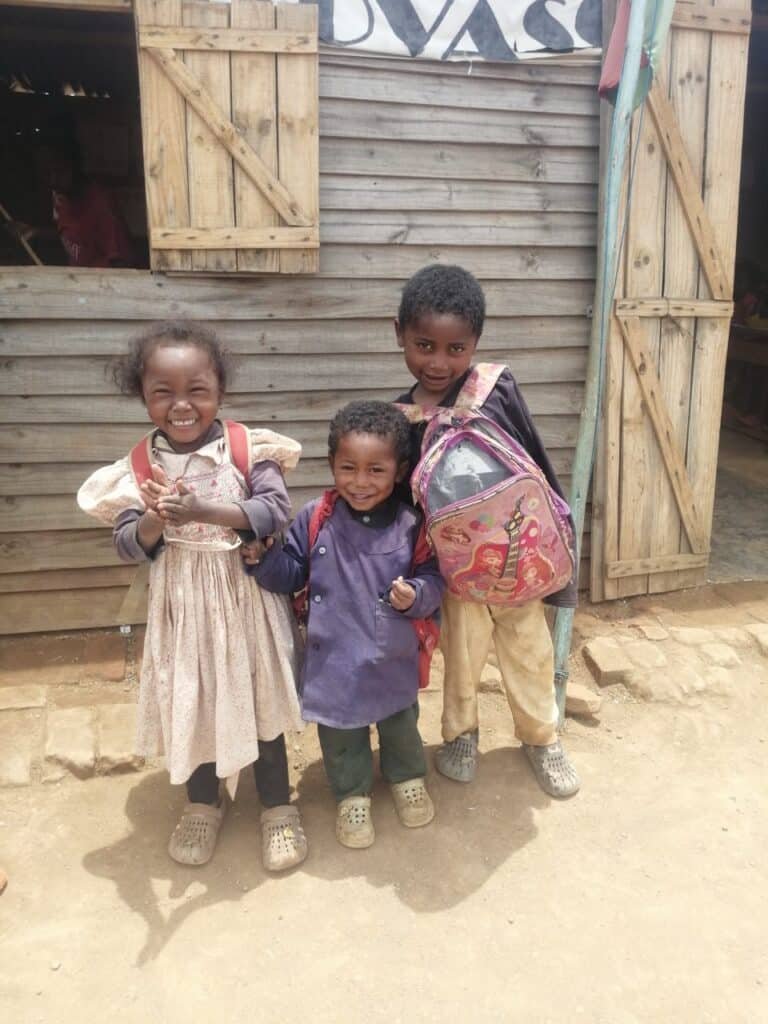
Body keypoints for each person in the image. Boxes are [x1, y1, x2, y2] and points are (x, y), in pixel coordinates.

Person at [77, 321, 307, 872]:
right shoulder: (137, 470)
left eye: (196, 390)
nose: (182, 405)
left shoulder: (250, 450)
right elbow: (129, 544)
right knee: (194, 699)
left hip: (245, 601)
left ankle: (277, 806)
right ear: (144, 396)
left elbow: (275, 512)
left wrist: (203, 511)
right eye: (164, 392)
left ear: (219, 390)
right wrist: (156, 518)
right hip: (183, 609)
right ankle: (204, 803)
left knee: (260, 700)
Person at [393, 264, 580, 799]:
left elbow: (534, 463)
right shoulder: (403, 418)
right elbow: (406, 501)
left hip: (521, 557)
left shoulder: (496, 390)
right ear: (399, 334)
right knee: (462, 654)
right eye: (424, 345)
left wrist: (559, 545)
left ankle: (541, 738)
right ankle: (461, 734)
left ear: (475, 343)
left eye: (456, 348)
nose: (438, 362)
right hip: (455, 572)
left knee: (530, 652)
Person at [243, 401, 445, 849]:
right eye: (348, 467)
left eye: (376, 470)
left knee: (401, 727)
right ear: (332, 464)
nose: (360, 481)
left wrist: (416, 595)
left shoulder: (412, 524)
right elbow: (292, 573)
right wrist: (264, 560)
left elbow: (433, 578)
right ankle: (352, 795)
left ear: (399, 470)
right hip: (332, 659)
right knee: (341, 739)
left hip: (392, 658)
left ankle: (407, 778)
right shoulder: (315, 518)